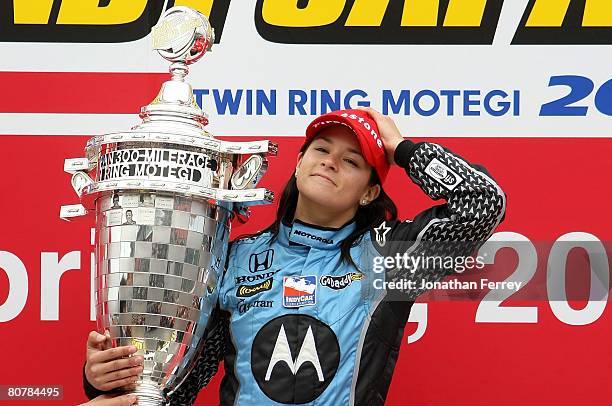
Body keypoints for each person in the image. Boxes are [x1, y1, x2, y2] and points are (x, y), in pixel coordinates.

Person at [81, 108, 506, 405]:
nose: (330, 163)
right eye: (321, 150)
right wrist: (109, 379)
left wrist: (402, 150)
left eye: (352, 160)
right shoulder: (233, 260)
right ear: (300, 162)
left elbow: (484, 203)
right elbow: (176, 390)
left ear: (370, 192)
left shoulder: (387, 258)